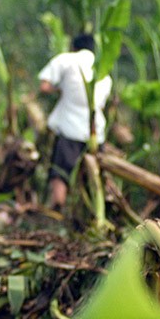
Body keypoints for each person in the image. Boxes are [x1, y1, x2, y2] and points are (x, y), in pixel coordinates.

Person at [38, 33, 113, 210]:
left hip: (69, 128)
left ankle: (58, 208)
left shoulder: (67, 59)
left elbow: (44, 86)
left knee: (61, 172)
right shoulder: (104, 67)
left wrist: (61, 89)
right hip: (96, 132)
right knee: (93, 174)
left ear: (73, 46)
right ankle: (93, 211)